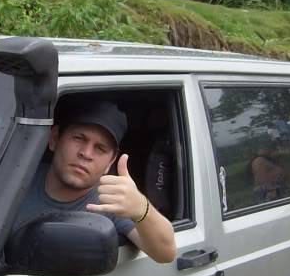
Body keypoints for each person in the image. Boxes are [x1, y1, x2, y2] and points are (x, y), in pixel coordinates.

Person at [13, 99, 177, 263]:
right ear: (55, 138)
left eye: (100, 148)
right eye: (78, 138)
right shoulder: (17, 179)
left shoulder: (111, 202)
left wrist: (142, 208)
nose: (86, 153)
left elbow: (165, 253)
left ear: (111, 162)